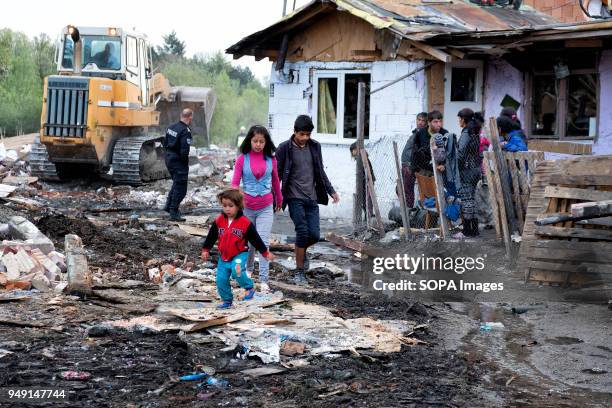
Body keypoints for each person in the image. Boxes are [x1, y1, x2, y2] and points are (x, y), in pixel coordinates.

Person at [276, 115, 339, 285]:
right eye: (302, 134)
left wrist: (331, 190)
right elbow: (277, 175)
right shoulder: (284, 148)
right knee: (302, 232)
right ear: (295, 132)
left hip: (312, 197)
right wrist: (276, 197)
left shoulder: (315, 147)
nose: (305, 138)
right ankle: (299, 271)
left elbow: (320, 171)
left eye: (308, 134)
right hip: (294, 196)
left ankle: (301, 252)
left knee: (314, 235)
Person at [201, 189, 275, 309]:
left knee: (237, 270)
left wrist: (265, 252)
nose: (227, 209)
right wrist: (205, 250)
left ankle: (249, 287)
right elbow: (211, 236)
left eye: (231, 206)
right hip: (224, 256)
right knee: (221, 280)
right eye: (224, 206)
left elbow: (255, 239)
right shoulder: (219, 220)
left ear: (238, 206)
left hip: (239, 254)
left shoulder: (245, 223)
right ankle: (227, 300)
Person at [231, 125, 282, 294]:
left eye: (261, 141)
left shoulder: (271, 160)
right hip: (247, 208)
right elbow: (234, 184)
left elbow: (275, 182)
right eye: (255, 141)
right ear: (250, 141)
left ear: (266, 142)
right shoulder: (241, 159)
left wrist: (279, 199)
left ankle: (264, 280)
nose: (258, 144)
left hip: (266, 206)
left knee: (262, 241)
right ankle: (248, 270)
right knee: (248, 243)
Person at [456, 109, 485, 238]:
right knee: (472, 199)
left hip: (467, 171)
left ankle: (467, 231)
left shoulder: (466, 133)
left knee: (467, 200)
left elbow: (460, 153)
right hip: (476, 169)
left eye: (459, 119)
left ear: (463, 119)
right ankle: (475, 230)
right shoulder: (475, 132)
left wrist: (452, 164)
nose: (459, 121)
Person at [163, 108, 193, 221]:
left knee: (176, 183)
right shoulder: (185, 131)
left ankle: (168, 206)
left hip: (169, 158)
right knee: (181, 187)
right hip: (178, 161)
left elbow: (165, 143)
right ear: (190, 117)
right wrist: (184, 164)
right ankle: (174, 212)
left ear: (181, 115)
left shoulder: (171, 127)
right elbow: (184, 151)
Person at [401, 112, 427, 208]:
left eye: (423, 121)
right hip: (406, 164)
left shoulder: (422, 133)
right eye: (419, 120)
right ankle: (407, 209)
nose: (420, 122)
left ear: (426, 123)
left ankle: (409, 210)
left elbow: (420, 150)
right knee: (401, 189)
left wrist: (413, 165)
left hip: (410, 165)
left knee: (408, 189)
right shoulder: (417, 132)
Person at [412, 111, 448, 175]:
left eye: (440, 121)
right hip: (424, 170)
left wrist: (444, 165)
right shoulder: (421, 133)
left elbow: (448, 153)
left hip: (439, 170)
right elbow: (415, 152)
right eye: (436, 122)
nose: (439, 124)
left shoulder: (444, 133)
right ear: (429, 122)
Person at [349, 142, 374, 218]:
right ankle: (367, 215)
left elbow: (366, 170)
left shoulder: (363, 158)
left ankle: (368, 215)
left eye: (352, 150)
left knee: (367, 199)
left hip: (367, 181)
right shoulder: (360, 158)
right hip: (363, 181)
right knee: (363, 200)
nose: (352, 152)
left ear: (356, 150)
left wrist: (365, 180)